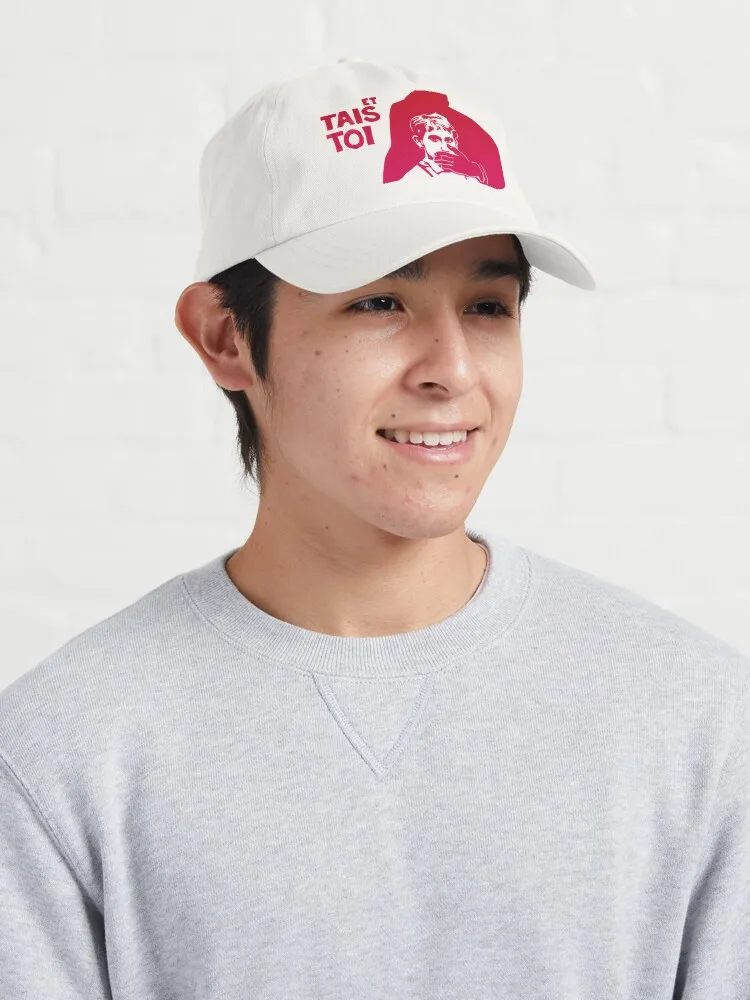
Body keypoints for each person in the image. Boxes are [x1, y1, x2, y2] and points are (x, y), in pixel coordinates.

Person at [0, 57, 747, 1000]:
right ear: (225, 337)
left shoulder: (700, 721)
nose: (452, 369)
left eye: (488, 306)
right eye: (379, 302)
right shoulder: (63, 756)